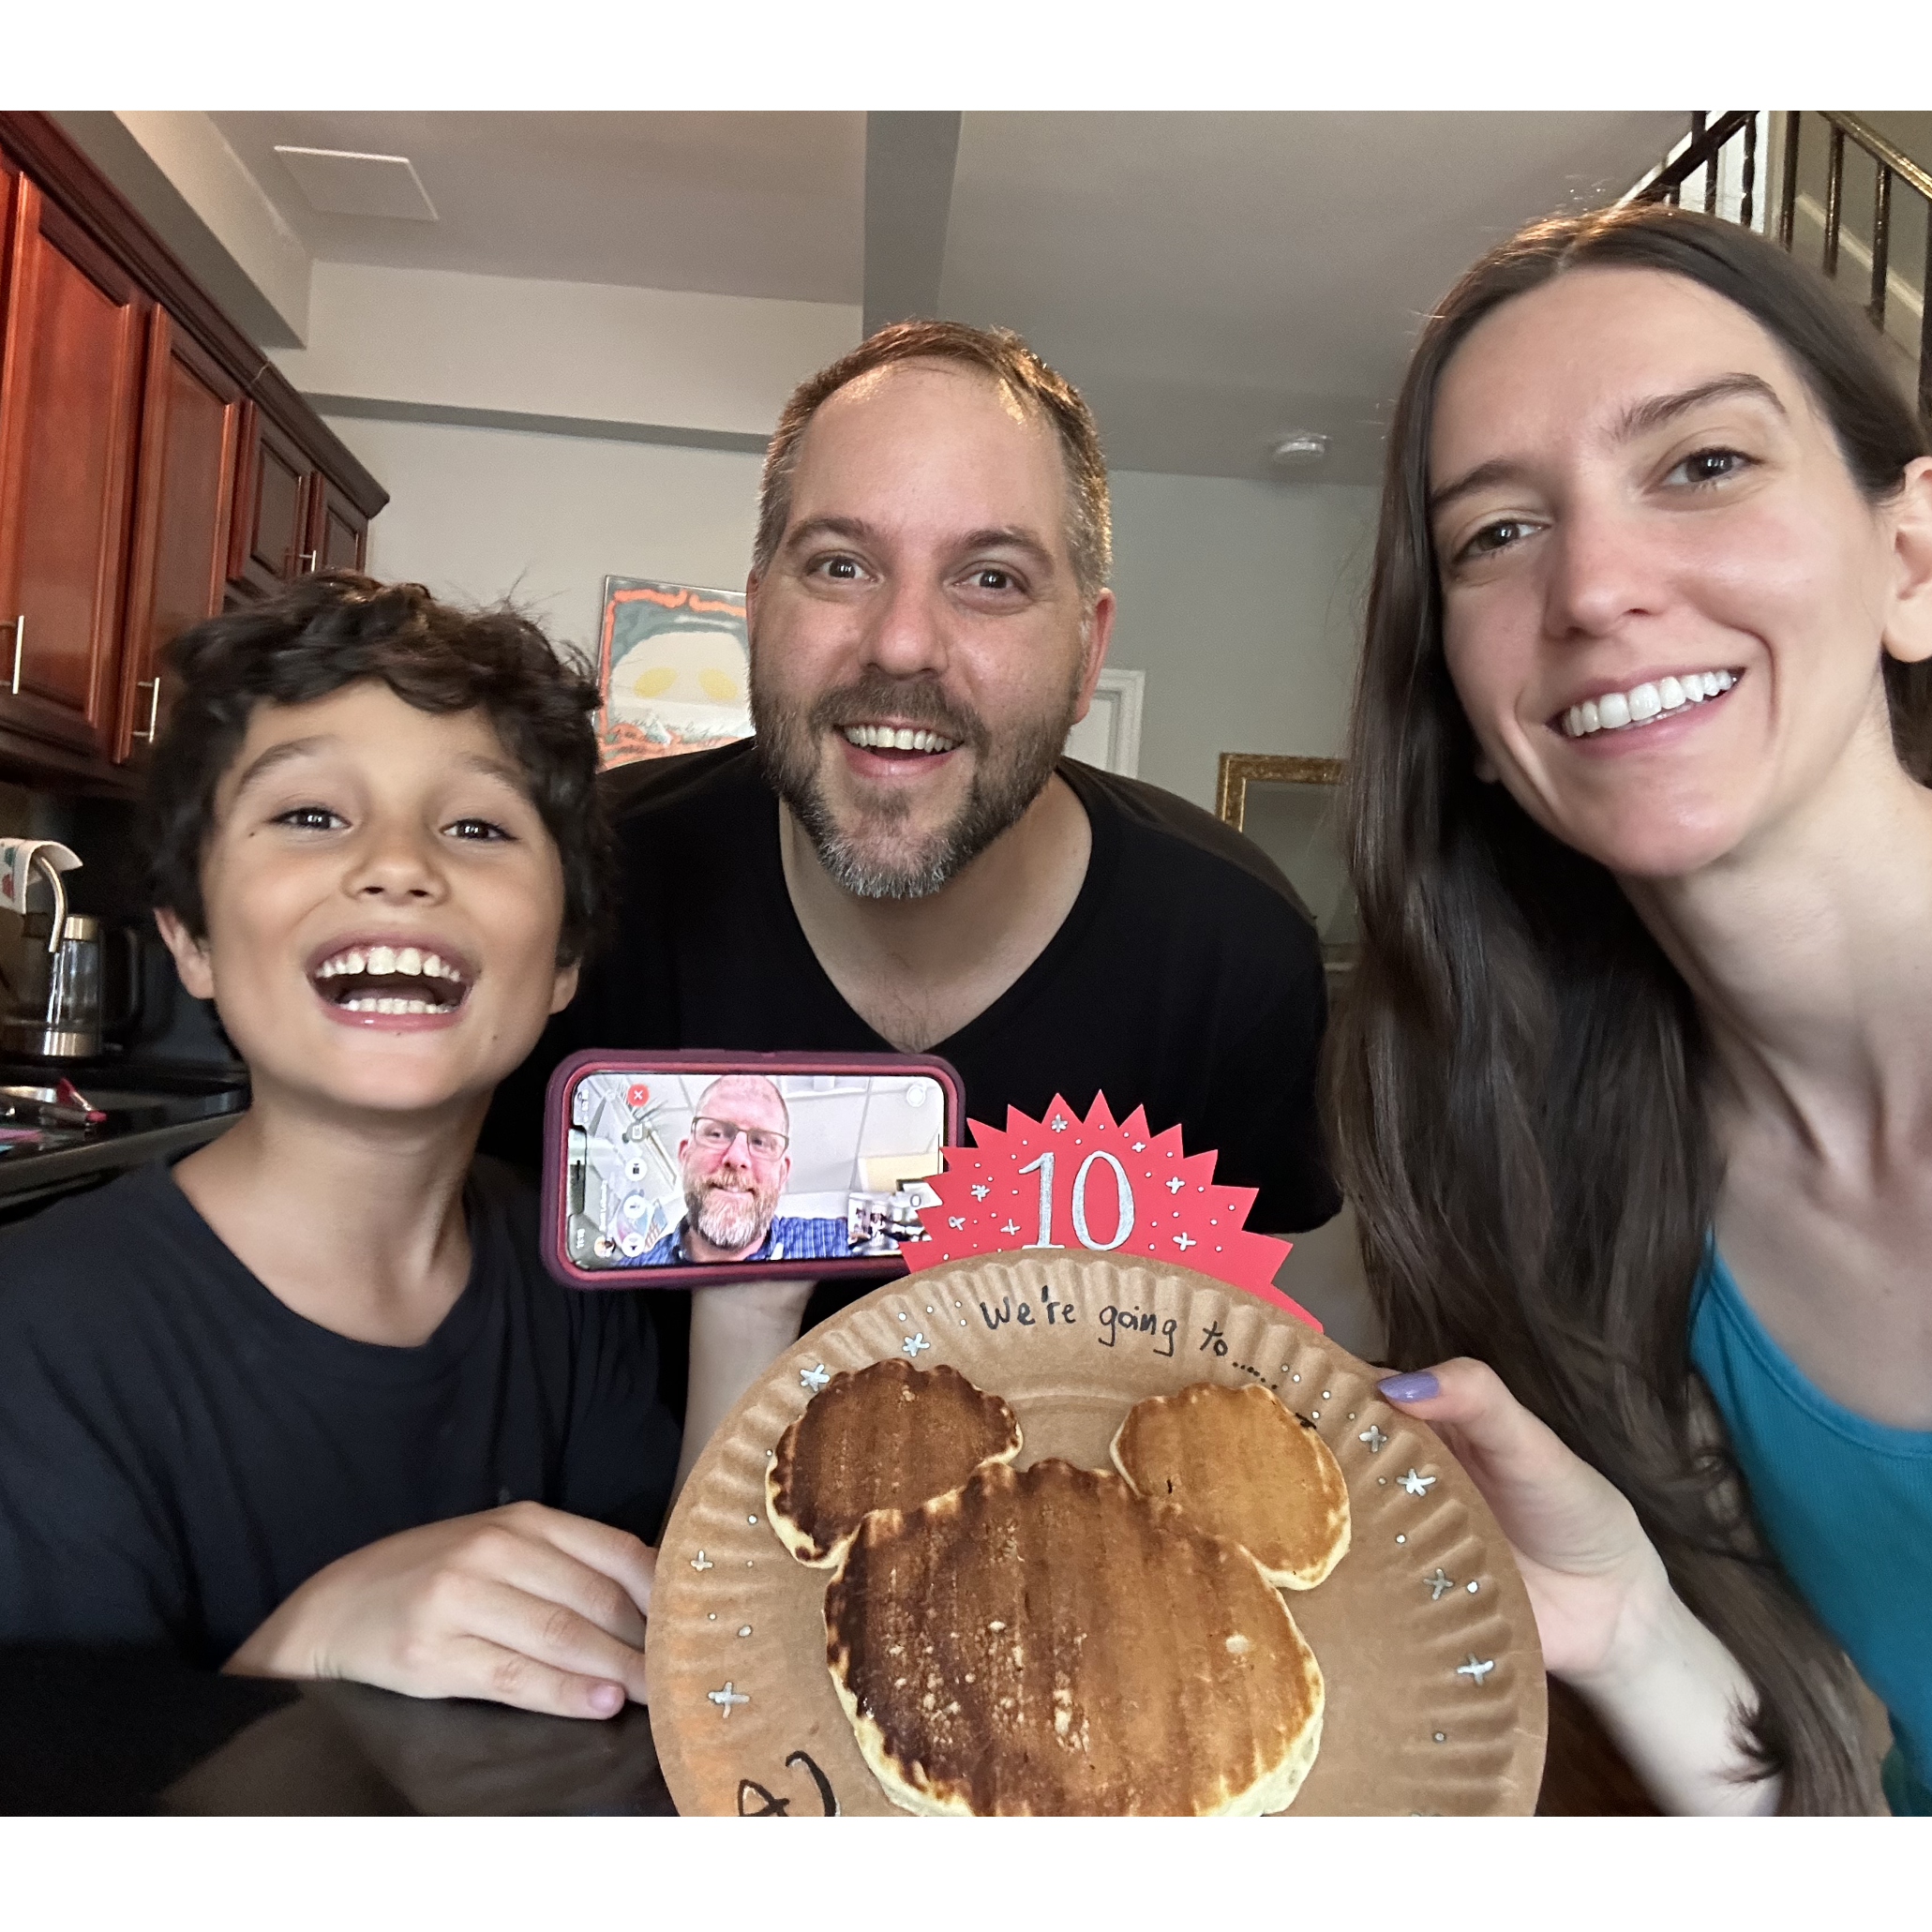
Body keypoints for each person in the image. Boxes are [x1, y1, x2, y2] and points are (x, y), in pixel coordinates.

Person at [1327, 201, 1932, 1814]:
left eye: (1702, 465)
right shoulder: (1557, 1189)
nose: (1594, 585)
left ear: (1910, 558)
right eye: (1496, 535)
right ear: (1461, 709)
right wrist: (1634, 1627)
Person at [488, 319, 1339, 1443]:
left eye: (990, 578)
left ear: (1087, 655)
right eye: (841, 565)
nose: (900, 644)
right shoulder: (577, 889)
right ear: (757, 608)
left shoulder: (1234, 951)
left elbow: (1259, 1383)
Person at [0, 574, 681, 1723]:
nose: (401, 864)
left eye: (476, 825)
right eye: (312, 815)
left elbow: (665, 1656)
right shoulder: (39, 1340)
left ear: (563, 961)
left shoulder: (576, 1278)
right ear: (193, 937)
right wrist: (305, 1646)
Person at [625, 1072, 848, 1266]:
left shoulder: (840, 1246)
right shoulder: (621, 1280)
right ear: (685, 1156)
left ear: (782, 1174)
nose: (736, 1158)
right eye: (716, 1134)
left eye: (760, 1142)